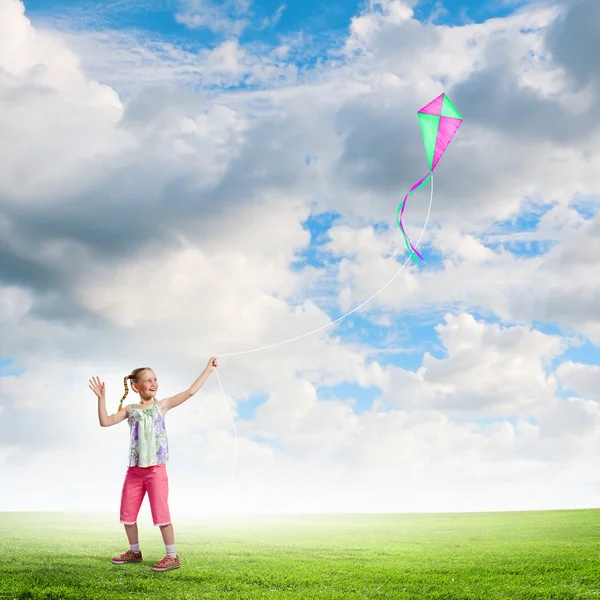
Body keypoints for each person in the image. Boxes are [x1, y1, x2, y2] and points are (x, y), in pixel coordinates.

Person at [89, 357, 218, 572]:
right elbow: (105, 421)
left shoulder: (162, 405)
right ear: (135, 386)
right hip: (135, 471)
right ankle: (134, 551)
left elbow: (189, 392)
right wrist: (101, 398)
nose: (153, 383)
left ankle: (172, 556)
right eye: (148, 380)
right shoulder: (131, 410)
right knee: (127, 515)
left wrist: (207, 370)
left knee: (161, 514)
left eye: (155, 379)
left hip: (156, 470)